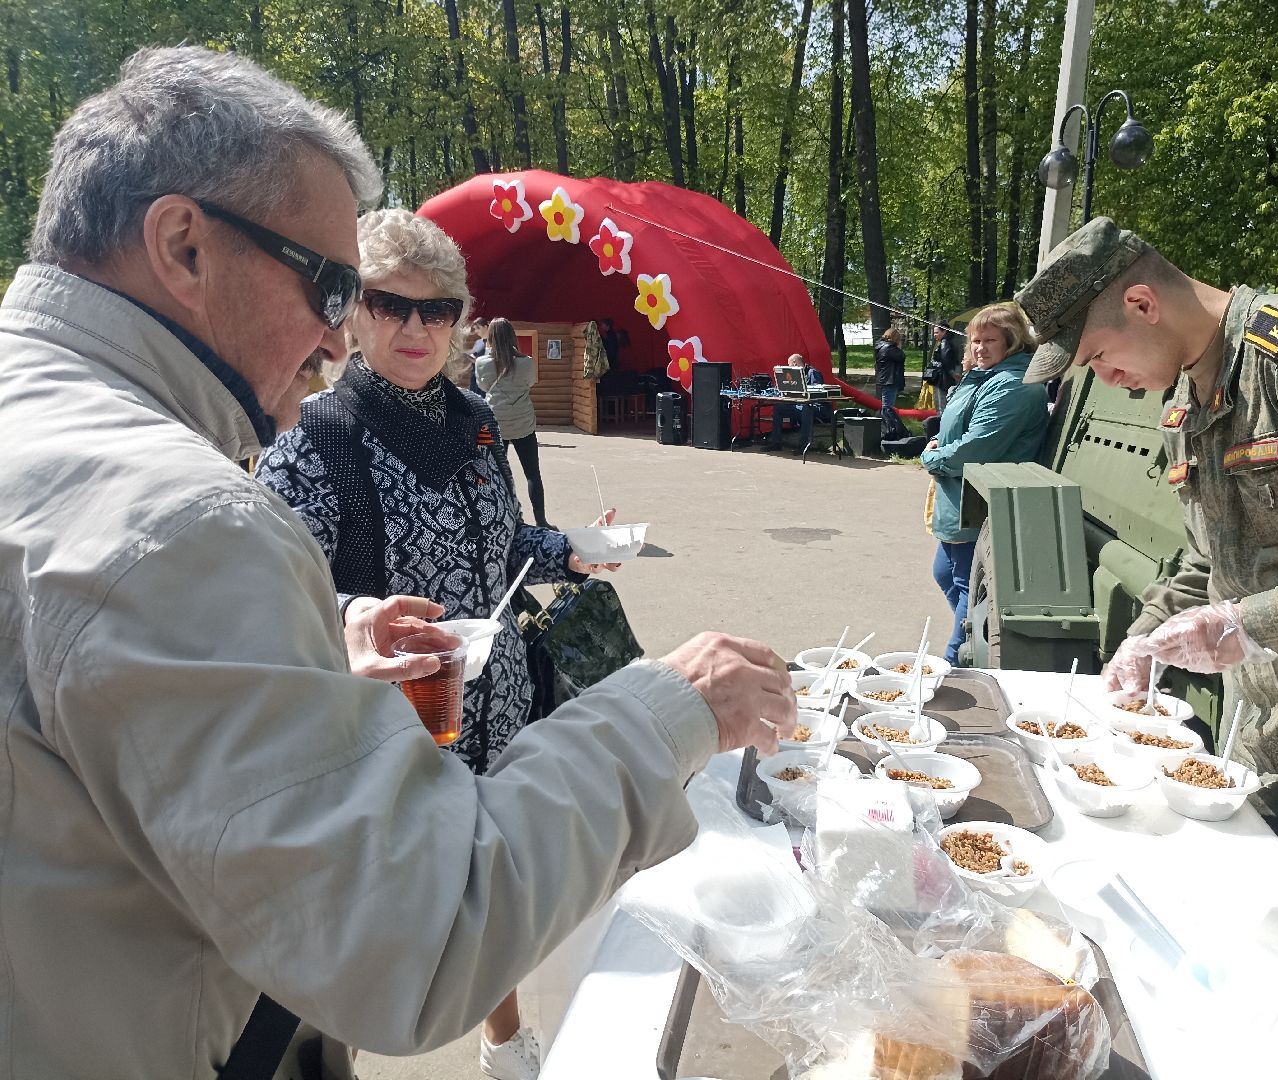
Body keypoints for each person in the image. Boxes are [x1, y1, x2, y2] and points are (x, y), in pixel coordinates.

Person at [0, 44, 797, 1080]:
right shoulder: (193, 507)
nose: (339, 338)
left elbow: (104, 667)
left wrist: (325, 634)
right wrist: (666, 708)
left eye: (431, 309)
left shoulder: (63, 437)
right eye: (339, 288)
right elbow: (408, 932)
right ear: (183, 245)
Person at [1015, 216, 1278, 922]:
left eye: (1095, 356)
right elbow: (1208, 556)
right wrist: (1143, 641)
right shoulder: (1186, 403)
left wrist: (1252, 623)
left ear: (1142, 304)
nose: (1104, 380)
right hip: (1265, 746)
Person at [256, 213, 597, 1077]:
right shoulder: (314, 435)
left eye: (437, 311)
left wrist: (570, 551)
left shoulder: (478, 419)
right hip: (391, 727)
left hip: (502, 705)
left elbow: (505, 542)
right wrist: (356, 618)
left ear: (462, 321)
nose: (416, 329)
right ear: (355, 316)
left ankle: (503, 1037)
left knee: (498, 893)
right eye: (390, 306)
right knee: (380, 915)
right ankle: (342, 1058)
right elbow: (270, 593)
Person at [919, 304, 1049, 664]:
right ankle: (974, 635)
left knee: (967, 586)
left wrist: (933, 457)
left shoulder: (1012, 386)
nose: (979, 348)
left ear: (1012, 341)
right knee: (945, 574)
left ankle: (954, 663)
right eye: (975, 341)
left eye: (990, 340)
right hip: (958, 497)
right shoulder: (988, 377)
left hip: (978, 501)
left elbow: (976, 448)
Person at [475, 317, 552, 529]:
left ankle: (504, 520)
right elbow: (530, 383)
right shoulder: (526, 362)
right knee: (532, 473)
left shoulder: (483, 363)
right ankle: (541, 520)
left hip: (496, 425)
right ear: (512, 336)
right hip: (523, 424)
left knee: (496, 474)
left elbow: (483, 386)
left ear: (490, 337)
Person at [763, 353, 831, 453]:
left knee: (806, 409)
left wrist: (804, 389)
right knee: (779, 408)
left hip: (817, 406)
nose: (789, 368)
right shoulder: (795, 376)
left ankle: (803, 446)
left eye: (789, 365)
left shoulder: (813, 373)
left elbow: (818, 391)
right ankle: (776, 443)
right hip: (801, 405)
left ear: (794, 363)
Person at [873, 326, 906, 438]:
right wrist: (899, 347)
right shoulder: (889, 349)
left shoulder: (881, 346)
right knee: (888, 407)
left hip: (885, 379)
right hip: (889, 380)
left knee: (886, 406)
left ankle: (886, 427)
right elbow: (901, 356)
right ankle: (888, 429)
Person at [928, 321, 965, 404]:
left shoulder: (945, 343)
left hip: (943, 377)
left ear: (944, 331)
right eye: (934, 333)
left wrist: (952, 373)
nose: (935, 335)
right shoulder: (948, 342)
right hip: (945, 376)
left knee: (941, 402)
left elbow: (945, 360)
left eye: (937, 332)